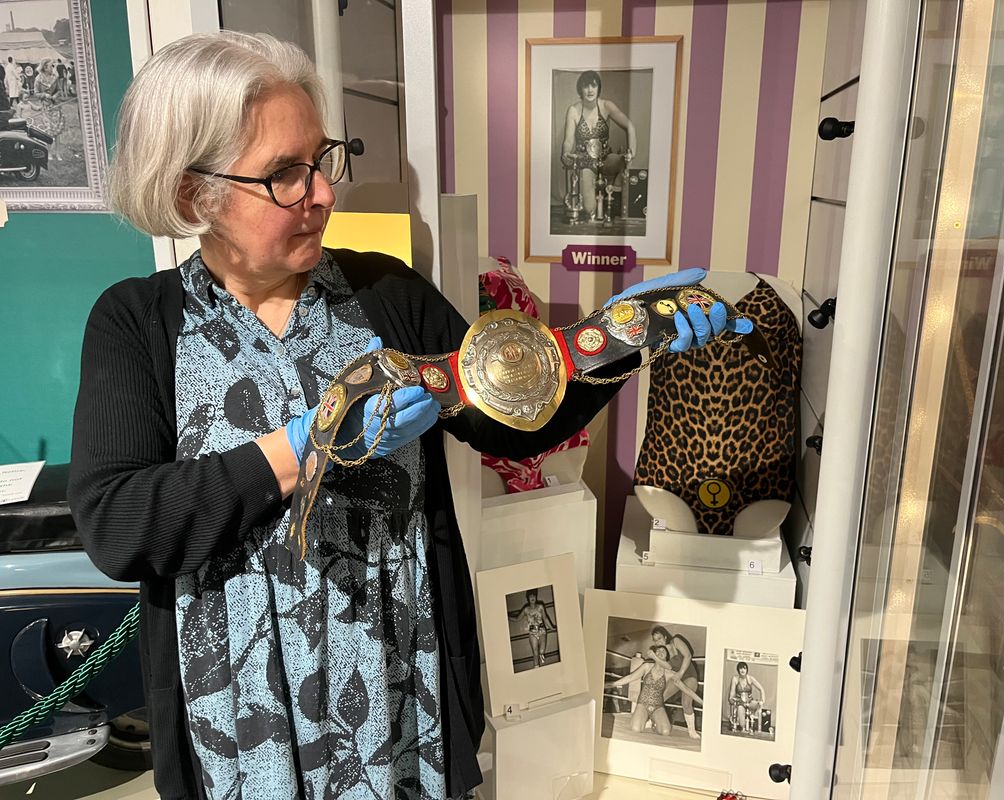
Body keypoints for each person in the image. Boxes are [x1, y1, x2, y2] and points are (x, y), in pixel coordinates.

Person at [68, 31, 738, 800]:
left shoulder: (386, 294)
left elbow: (510, 417)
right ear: (196, 195)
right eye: (284, 174)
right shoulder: (137, 325)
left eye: (321, 159)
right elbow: (120, 525)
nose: (323, 193)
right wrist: (306, 445)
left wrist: (608, 342)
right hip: (241, 713)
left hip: (399, 682)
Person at [560, 69, 637, 220]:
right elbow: (568, 140)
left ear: (598, 88)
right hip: (585, 162)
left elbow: (630, 126)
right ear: (580, 89)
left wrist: (632, 153)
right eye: (586, 86)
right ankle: (595, 205)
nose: (590, 90)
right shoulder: (573, 110)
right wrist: (566, 153)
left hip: (606, 158)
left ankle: (612, 191)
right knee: (590, 209)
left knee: (625, 163)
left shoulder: (606, 106)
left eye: (593, 86)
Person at [611, 645, 703, 737]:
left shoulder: (669, 674)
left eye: (663, 651)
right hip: (643, 703)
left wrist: (702, 702)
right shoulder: (647, 666)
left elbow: (686, 689)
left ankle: (653, 719)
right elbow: (630, 677)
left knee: (665, 731)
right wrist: (612, 684)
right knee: (636, 729)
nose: (660, 652)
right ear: (654, 654)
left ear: (667, 656)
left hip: (658, 706)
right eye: (658, 651)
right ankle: (641, 716)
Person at [647, 625, 703, 739]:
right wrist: (654, 657)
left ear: (665, 637)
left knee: (686, 702)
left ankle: (692, 731)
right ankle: (652, 720)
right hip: (676, 678)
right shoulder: (661, 653)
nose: (658, 642)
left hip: (689, 675)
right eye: (655, 640)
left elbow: (688, 655)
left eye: (659, 638)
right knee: (660, 697)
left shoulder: (675, 641)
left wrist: (680, 673)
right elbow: (665, 667)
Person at [511, 589, 555, 667]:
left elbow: (545, 618)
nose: (532, 598)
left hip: (542, 631)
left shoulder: (540, 607)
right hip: (532, 632)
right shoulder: (526, 609)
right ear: (528, 598)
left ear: (536, 596)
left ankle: (542, 664)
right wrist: (507, 617)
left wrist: (552, 628)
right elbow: (517, 619)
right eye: (530, 596)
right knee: (535, 653)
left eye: (533, 596)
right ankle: (536, 668)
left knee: (541, 652)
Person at [728, 661, 766, 733]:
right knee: (742, 726)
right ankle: (742, 725)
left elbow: (761, 689)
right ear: (738, 670)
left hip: (750, 702)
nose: (742, 670)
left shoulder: (750, 678)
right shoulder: (735, 679)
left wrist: (762, 701)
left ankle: (754, 723)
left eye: (744, 668)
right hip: (740, 703)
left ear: (747, 670)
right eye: (741, 668)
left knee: (759, 705)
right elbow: (731, 694)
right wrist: (732, 700)